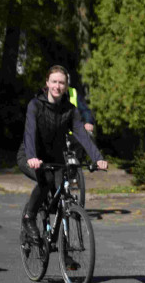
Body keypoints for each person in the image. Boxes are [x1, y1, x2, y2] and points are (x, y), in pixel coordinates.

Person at [17, 65, 107, 239]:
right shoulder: (35, 105)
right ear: (47, 83)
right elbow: (29, 132)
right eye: (54, 82)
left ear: (66, 86)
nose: (57, 86)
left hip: (55, 158)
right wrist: (31, 157)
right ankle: (29, 217)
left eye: (61, 83)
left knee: (62, 194)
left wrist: (98, 158)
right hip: (30, 155)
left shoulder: (70, 110)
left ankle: (64, 251)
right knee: (47, 181)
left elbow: (82, 134)